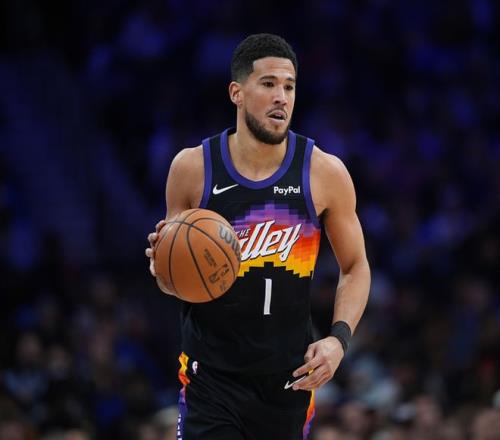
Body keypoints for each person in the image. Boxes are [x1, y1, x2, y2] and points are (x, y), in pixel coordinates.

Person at [145, 33, 371, 440]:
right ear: (237, 92)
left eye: (289, 86)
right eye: (268, 84)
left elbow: (355, 266)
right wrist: (161, 265)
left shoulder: (324, 172)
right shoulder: (193, 168)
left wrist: (338, 340)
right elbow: (174, 280)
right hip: (211, 377)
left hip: (288, 379)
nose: (281, 97)